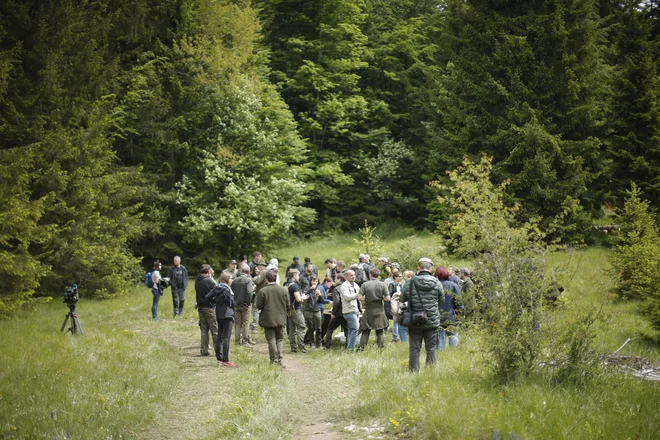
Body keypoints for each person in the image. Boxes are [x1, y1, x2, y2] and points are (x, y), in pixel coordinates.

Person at [400, 257, 444, 372]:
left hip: (414, 320)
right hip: (432, 320)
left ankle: (414, 371)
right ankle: (430, 371)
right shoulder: (437, 282)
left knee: (414, 348)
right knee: (431, 348)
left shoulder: (410, 282)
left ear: (418, 267)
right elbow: (442, 301)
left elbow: (402, 298)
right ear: (431, 268)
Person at [256, 270, 290, 367]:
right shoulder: (284, 290)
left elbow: (258, 306)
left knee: (271, 340)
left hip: (268, 319)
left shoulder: (263, 291)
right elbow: (288, 304)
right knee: (279, 339)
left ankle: (273, 360)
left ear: (266, 279)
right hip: (280, 318)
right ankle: (279, 359)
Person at [206, 272, 236, 367]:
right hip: (227, 315)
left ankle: (219, 358)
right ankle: (225, 359)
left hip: (219, 314)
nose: (231, 280)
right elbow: (231, 303)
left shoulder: (216, 287)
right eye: (230, 278)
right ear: (226, 279)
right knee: (226, 338)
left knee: (219, 337)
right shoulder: (227, 289)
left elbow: (207, 297)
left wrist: (215, 302)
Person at [358, 268, 390, 349]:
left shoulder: (365, 284)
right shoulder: (382, 284)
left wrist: (366, 298)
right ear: (378, 275)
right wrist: (380, 297)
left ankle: (362, 348)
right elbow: (387, 298)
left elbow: (359, 297)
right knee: (379, 331)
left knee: (365, 330)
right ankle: (380, 347)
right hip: (379, 309)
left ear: (370, 275)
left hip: (369, 309)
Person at [434, 266, 461, 349]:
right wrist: (460, 313)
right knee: (453, 335)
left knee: (440, 335)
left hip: (437, 315)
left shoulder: (434, 285)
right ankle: (454, 353)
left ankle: (441, 354)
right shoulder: (453, 285)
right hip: (452, 315)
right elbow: (459, 302)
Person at [195, 264, 218, 356]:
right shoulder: (209, 281)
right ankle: (218, 350)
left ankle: (204, 350)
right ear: (208, 271)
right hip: (210, 307)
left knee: (204, 330)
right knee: (215, 329)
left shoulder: (197, 280)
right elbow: (216, 291)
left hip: (201, 307)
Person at [285, 269, 308, 353]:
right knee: (301, 327)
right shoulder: (295, 286)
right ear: (294, 275)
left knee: (292, 329)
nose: (299, 277)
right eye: (298, 275)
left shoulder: (285, 284)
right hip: (295, 310)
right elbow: (298, 299)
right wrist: (304, 298)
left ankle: (293, 347)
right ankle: (301, 347)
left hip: (288, 309)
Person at [232, 263, 255, 345]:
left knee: (238, 324)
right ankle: (245, 342)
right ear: (248, 272)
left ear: (241, 271)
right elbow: (249, 293)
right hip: (245, 305)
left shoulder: (234, 280)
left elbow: (232, 292)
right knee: (245, 323)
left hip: (236, 304)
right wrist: (248, 303)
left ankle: (237, 341)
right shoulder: (248, 280)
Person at [339, 269, 361, 351]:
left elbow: (360, 295)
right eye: (351, 275)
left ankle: (350, 348)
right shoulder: (344, 286)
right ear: (346, 276)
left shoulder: (355, 285)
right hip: (348, 310)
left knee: (352, 330)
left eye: (354, 275)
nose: (353, 276)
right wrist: (357, 295)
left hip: (356, 310)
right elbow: (347, 297)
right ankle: (351, 348)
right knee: (355, 329)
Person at [250, 259, 269, 337]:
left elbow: (257, 281)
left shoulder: (263, 272)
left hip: (260, 293)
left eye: (258, 266)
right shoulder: (267, 271)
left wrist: (253, 278)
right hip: (266, 292)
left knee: (256, 310)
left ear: (261, 266)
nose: (257, 267)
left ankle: (254, 326)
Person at [302, 276, 323, 347]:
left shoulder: (320, 289)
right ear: (310, 281)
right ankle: (310, 341)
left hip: (317, 310)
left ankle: (319, 342)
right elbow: (304, 296)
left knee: (318, 327)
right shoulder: (307, 289)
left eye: (316, 281)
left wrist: (320, 295)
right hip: (308, 310)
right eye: (313, 281)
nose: (315, 283)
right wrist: (310, 290)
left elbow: (322, 301)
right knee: (310, 327)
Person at [389, 270, 408, 343]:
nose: (401, 278)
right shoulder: (392, 284)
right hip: (395, 303)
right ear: (395, 277)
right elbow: (390, 294)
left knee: (401, 320)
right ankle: (395, 337)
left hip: (401, 303)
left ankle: (400, 335)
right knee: (396, 320)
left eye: (401, 276)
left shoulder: (402, 284)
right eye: (399, 277)